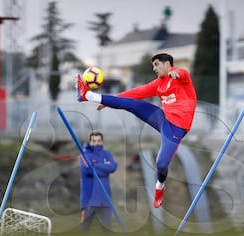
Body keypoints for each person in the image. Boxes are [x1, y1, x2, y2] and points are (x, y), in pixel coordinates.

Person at [76, 53, 197, 208]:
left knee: (161, 163)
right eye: (153, 65)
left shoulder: (182, 76)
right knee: (133, 104)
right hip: (162, 118)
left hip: (176, 128)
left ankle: (160, 186)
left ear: (168, 64)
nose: (154, 68)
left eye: (157, 64)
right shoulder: (158, 83)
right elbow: (135, 93)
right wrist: (108, 102)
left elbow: (182, 73)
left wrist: (176, 73)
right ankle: (88, 95)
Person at [79, 131, 118, 233]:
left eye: (99, 141)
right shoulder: (84, 155)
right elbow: (88, 170)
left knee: (107, 231)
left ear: (102, 141)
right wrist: (105, 166)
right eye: (94, 141)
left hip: (105, 200)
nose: (96, 143)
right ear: (90, 142)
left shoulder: (107, 153)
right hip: (89, 200)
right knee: (84, 231)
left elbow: (113, 167)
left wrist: (96, 166)